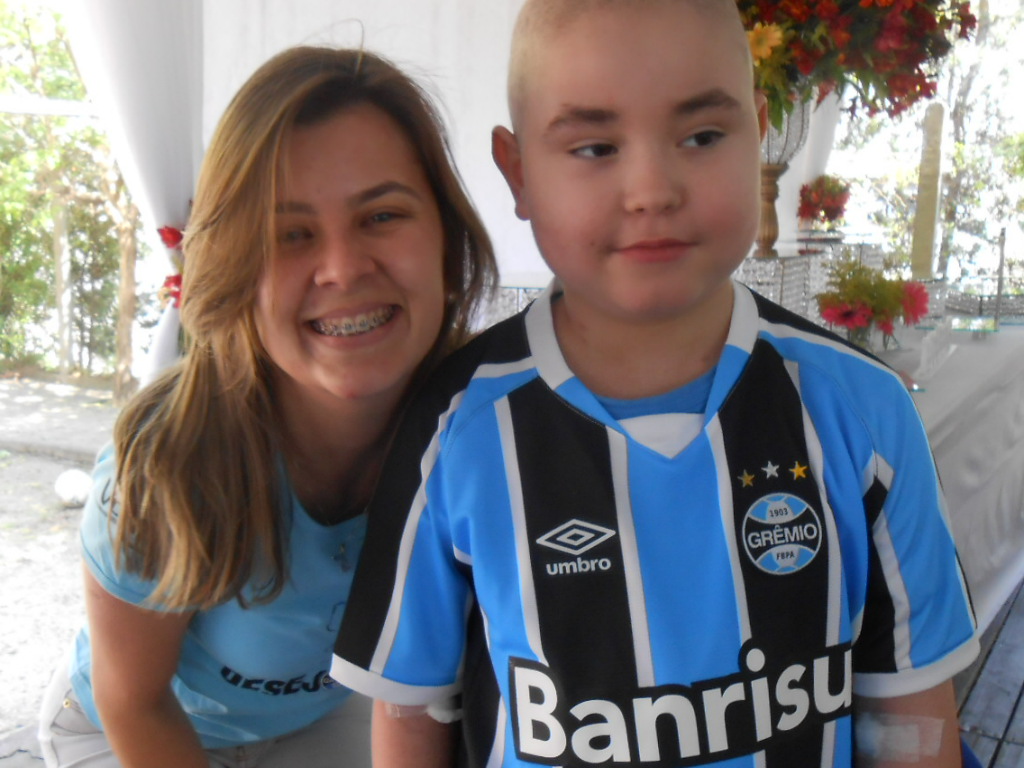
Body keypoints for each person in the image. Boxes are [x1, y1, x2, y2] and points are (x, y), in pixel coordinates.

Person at [330, 2, 980, 767]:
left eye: (702, 136)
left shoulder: (861, 410)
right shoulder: (457, 429)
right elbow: (410, 718)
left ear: (758, 133)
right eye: (595, 147)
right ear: (518, 173)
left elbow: (909, 713)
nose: (652, 189)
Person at [36, 45, 496, 768]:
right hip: (132, 729)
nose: (343, 268)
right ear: (236, 267)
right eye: (291, 234)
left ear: (447, 239)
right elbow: (133, 700)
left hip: (326, 719)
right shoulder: (168, 457)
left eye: (381, 215)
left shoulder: (486, 419)